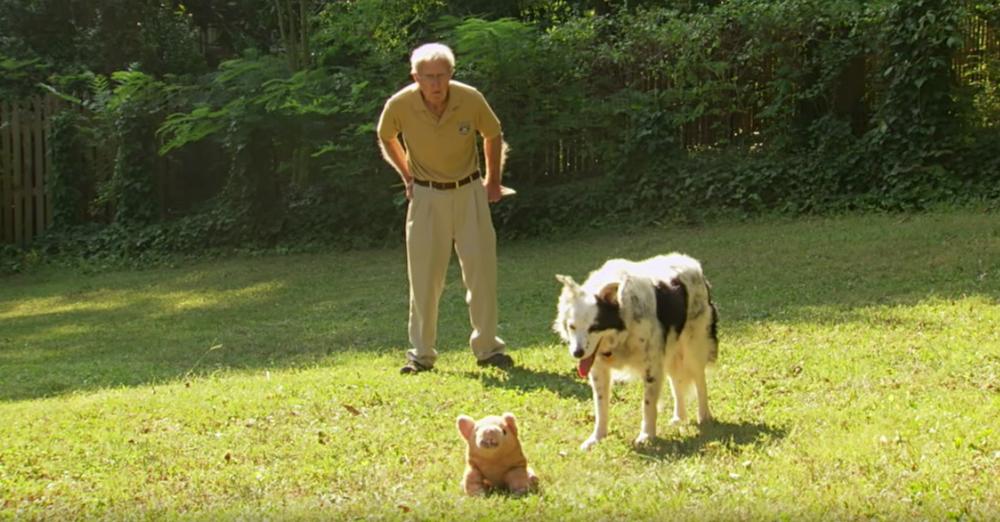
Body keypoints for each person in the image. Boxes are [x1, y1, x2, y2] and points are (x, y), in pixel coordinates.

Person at [377, 42, 512, 374]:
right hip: (425, 197)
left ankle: (488, 348)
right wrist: (407, 175)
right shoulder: (400, 104)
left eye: (442, 76)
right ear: (415, 76)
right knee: (424, 278)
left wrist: (493, 181)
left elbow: (493, 134)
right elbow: (386, 136)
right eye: (428, 77)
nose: (436, 84)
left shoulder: (470, 97)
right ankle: (421, 355)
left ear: (451, 74)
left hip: (469, 191)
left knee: (481, 272)